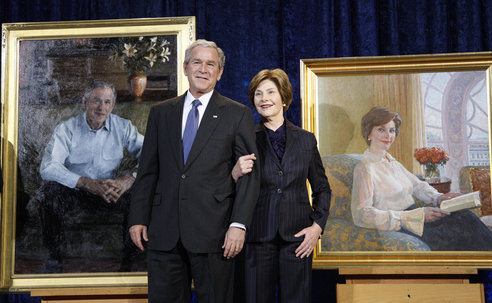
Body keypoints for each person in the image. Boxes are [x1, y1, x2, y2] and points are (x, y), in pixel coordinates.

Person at [128, 39, 260, 303]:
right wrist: (137, 217)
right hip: (164, 232)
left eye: (210, 64)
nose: (203, 69)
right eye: (197, 63)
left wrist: (238, 224)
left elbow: (249, 175)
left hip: (215, 232)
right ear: (186, 68)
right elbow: (148, 171)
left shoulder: (237, 114)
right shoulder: (161, 113)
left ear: (220, 72)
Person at [232, 68, 331, 303]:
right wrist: (234, 174)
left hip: (297, 240)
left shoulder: (306, 139)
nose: (264, 99)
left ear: (284, 98)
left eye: (270, 92)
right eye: (258, 94)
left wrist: (317, 227)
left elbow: (322, 189)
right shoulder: (244, 138)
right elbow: (228, 189)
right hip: (256, 238)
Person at [351, 106, 492, 251]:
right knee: (462, 227)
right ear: (368, 133)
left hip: (418, 218)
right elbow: (361, 214)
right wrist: (414, 216)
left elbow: (418, 185)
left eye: (392, 130)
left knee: (464, 215)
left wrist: (439, 197)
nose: (388, 135)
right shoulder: (365, 168)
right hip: (402, 225)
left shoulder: (393, 162)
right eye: (381, 129)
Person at [37, 79, 144, 272]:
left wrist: (129, 179)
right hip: (76, 193)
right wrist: (85, 182)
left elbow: (151, 152)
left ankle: (129, 263)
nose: (101, 107)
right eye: (96, 100)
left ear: (113, 105)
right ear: (85, 102)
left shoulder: (123, 126)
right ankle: (54, 260)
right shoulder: (67, 128)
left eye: (107, 102)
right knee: (49, 191)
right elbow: (48, 167)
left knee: (140, 191)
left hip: (110, 193)